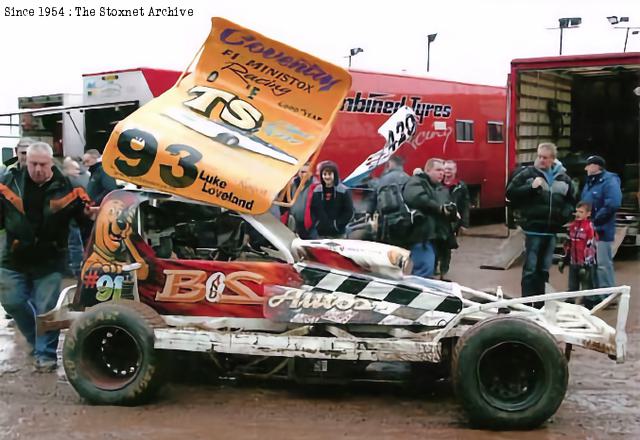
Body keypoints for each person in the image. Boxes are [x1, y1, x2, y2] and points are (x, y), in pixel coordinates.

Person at [0, 142, 92, 372]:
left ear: (51, 162)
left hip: (50, 257)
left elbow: (85, 218)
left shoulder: (68, 186)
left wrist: (90, 217)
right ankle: (35, 339)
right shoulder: (8, 183)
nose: (38, 169)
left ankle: (46, 355)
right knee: (12, 302)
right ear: (25, 162)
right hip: (14, 255)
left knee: (47, 309)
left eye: (42, 164)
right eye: (33, 164)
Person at [506, 143, 576, 306]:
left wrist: (563, 215)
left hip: (551, 231)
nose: (541, 160)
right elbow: (510, 193)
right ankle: (527, 303)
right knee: (530, 270)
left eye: (545, 157)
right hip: (532, 230)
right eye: (539, 156)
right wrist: (530, 187)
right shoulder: (527, 174)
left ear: (553, 159)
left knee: (544, 270)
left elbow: (572, 201)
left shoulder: (564, 179)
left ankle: (540, 304)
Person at [403, 158, 457, 278]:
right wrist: (439, 207)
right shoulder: (416, 182)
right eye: (438, 170)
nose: (442, 173)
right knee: (424, 272)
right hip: (422, 236)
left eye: (443, 171)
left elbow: (447, 206)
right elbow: (415, 197)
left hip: (437, 238)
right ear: (427, 170)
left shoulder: (439, 188)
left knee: (429, 272)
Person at [580, 155, 622, 289]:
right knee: (592, 263)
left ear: (596, 166)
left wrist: (596, 219)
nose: (586, 167)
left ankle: (608, 295)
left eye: (588, 164)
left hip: (602, 230)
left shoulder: (609, 181)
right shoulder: (589, 182)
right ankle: (596, 293)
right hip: (589, 230)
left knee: (603, 263)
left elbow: (613, 203)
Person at [558, 201, 597, 304]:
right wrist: (563, 259)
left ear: (588, 214)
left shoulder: (590, 227)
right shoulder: (572, 226)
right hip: (573, 262)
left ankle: (589, 304)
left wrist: (586, 265)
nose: (578, 214)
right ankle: (571, 303)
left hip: (585, 264)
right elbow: (567, 245)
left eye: (581, 212)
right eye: (577, 211)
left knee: (587, 287)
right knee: (572, 287)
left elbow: (591, 248)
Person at [310, 161, 354, 238]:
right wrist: (317, 223)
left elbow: (349, 211)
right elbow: (313, 209)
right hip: (320, 233)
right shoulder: (317, 190)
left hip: (338, 234)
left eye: (329, 174)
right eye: (324, 174)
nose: (327, 177)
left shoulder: (343, 190)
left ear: (335, 175)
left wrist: (337, 225)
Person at [443, 160, 470, 234]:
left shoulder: (461, 186)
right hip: (441, 222)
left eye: (450, 169)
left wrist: (464, 224)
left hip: (454, 222)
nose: (447, 171)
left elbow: (465, 206)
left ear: (455, 170)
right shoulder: (438, 184)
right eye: (445, 169)